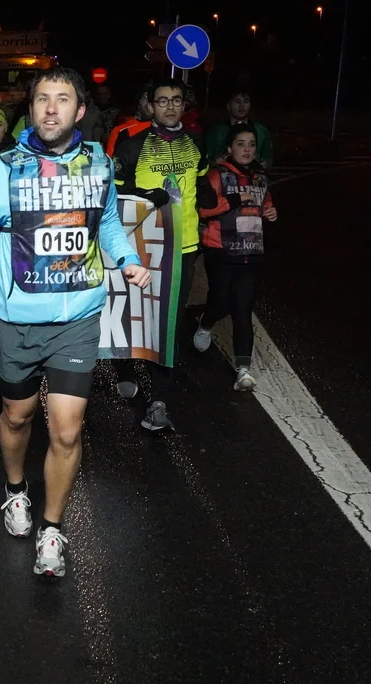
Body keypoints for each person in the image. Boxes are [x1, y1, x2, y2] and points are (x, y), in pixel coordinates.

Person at [0, 68, 151, 577]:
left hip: (78, 319)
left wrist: (126, 258)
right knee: (18, 417)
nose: (50, 108)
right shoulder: (6, 170)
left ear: (80, 111)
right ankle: (16, 488)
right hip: (19, 321)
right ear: (31, 110)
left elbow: (108, 223)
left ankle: (52, 527)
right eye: (42, 98)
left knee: (66, 432)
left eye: (62, 99)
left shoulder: (98, 164)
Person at [112, 78, 208, 432]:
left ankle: (159, 401)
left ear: (185, 105)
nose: (170, 107)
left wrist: (208, 197)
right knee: (131, 314)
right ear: (150, 106)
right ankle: (123, 368)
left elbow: (200, 183)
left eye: (176, 100)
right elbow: (112, 198)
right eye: (162, 101)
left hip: (184, 248)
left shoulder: (197, 142)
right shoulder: (131, 146)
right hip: (142, 247)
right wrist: (143, 195)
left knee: (168, 325)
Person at [194, 126, 278, 390]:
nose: (247, 149)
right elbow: (204, 209)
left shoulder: (260, 178)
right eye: (241, 144)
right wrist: (234, 199)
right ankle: (206, 323)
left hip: (250, 253)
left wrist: (270, 212)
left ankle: (243, 370)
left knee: (243, 308)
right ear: (230, 148)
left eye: (251, 144)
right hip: (221, 251)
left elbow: (264, 203)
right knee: (220, 302)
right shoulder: (216, 175)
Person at [205, 89, 275, 169]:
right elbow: (206, 161)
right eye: (237, 102)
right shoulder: (216, 132)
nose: (242, 106)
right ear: (228, 106)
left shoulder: (261, 131)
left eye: (246, 101)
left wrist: (260, 169)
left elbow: (267, 160)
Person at [105, 81, 153, 157]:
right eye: (146, 97)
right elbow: (111, 162)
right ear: (139, 101)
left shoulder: (167, 129)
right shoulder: (121, 131)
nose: (150, 102)